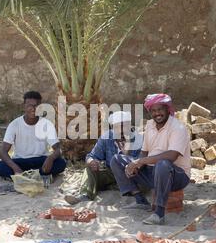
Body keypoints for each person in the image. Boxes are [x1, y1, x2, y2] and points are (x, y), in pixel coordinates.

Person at [110, 94, 191, 225]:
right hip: (153, 173)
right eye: (153, 111)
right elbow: (144, 151)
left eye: (160, 110)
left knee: (163, 164)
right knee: (117, 160)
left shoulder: (178, 128)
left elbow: (172, 156)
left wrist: (141, 161)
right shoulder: (150, 125)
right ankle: (140, 201)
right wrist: (136, 165)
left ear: (167, 109)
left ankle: (159, 214)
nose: (157, 113)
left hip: (177, 176)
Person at [64, 111, 143, 205]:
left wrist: (127, 152)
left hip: (131, 175)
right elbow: (91, 156)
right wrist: (91, 161)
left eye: (124, 126)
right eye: (117, 127)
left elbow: (141, 163)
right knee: (89, 169)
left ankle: (117, 187)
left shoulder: (138, 138)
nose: (121, 130)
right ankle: (85, 196)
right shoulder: (107, 137)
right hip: (111, 173)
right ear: (112, 128)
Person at [0, 91, 66, 179]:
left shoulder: (47, 124)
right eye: (29, 105)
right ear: (24, 106)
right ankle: (35, 175)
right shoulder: (14, 124)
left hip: (41, 160)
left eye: (36, 106)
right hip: (20, 161)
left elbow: (58, 149)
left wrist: (50, 158)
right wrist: (16, 168)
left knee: (61, 163)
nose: (33, 109)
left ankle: (26, 176)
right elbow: (3, 152)